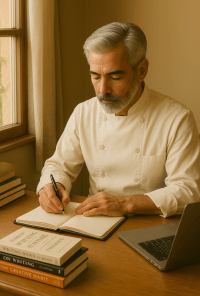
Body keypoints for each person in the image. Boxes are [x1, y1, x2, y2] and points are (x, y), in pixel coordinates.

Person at [37, 22, 200, 218]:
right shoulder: (84, 113)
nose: (102, 89)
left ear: (141, 70)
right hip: (94, 222)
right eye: (95, 76)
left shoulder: (177, 118)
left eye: (114, 77)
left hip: (151, 225)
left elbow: (188, 190)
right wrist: (51, 187)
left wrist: (125, 204)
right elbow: (59, 165)